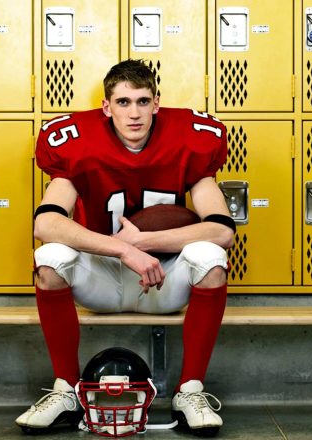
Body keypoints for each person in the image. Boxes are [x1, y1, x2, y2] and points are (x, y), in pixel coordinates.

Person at [16, 59, 235, 437]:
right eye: (123, 102)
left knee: (212, 258)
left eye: (142, 101)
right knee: (49, 259)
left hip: (161, 280)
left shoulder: (189, 141)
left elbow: (221, 229)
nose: (134, 113)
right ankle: (66, 390)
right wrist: (122, 250)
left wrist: (143, 241)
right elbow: (46, 224)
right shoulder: (79, 144)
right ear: (106, 107)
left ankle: (191, 391)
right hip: (101, 279)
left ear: (157, 104)